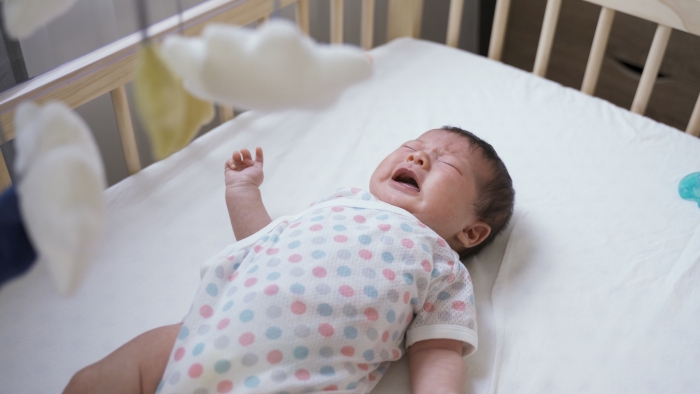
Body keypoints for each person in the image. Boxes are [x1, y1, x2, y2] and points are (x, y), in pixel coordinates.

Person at [64, 126, 514, 394]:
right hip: (205, 334)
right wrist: (243, 192)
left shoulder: (442, 265)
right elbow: (263, 241)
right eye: (413, 146)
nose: (418, 155)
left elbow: (438, 351)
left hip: (303, 372)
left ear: (470, 233)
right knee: (102, 377)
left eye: (447, 166)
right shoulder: (339, 202)